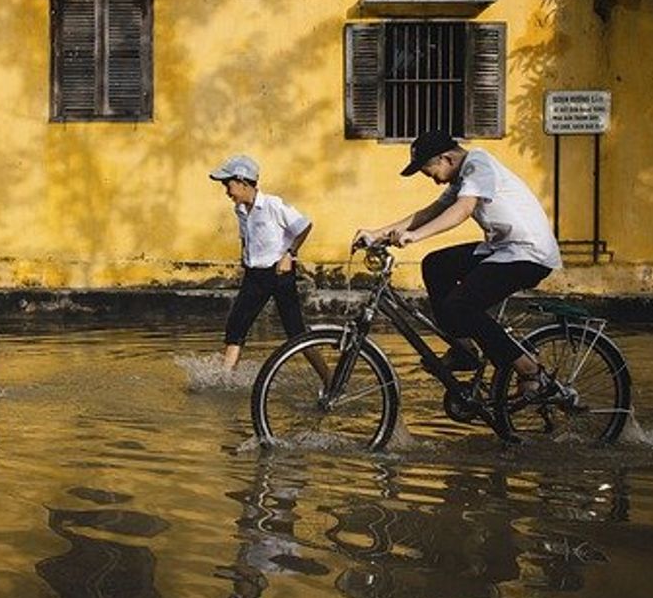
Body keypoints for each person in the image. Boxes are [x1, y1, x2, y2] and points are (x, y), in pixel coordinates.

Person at [353, 130, 562, 397]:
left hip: (528, 253)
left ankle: (530, 371)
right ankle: (463, 349)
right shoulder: (463, 177)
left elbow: (462, 210)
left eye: (430, 173)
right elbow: (429, 212)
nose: (433, 181)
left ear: (447, 158)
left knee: (461, 305)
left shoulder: (478, 165)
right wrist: (377, 233)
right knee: (436, 265)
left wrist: (415, 236)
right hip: (503, 248)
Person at [210, 154, 325, 381]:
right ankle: (224, 381)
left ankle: (330, 380)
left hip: (279, 274)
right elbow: (247, 237)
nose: (227, 191)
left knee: (296, 334)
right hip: (255, 277)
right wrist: (245, 257)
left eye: (228, 185)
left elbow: (304, 226)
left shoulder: (273, 205)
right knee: (235, 327)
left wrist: (290, 254)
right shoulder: (240, 210)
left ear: (243, 183)